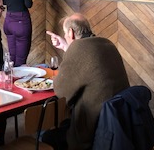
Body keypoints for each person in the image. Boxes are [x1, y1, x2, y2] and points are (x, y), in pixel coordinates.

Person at [44, 13, 130, 150]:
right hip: (117, 122)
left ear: (71, 33)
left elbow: (61, 92)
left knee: (46, 136)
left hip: (93, 131)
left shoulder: (78, 49)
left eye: (65, 34)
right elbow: (86, 64)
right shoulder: (107, 43)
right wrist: (67, 47)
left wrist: (70, 50)